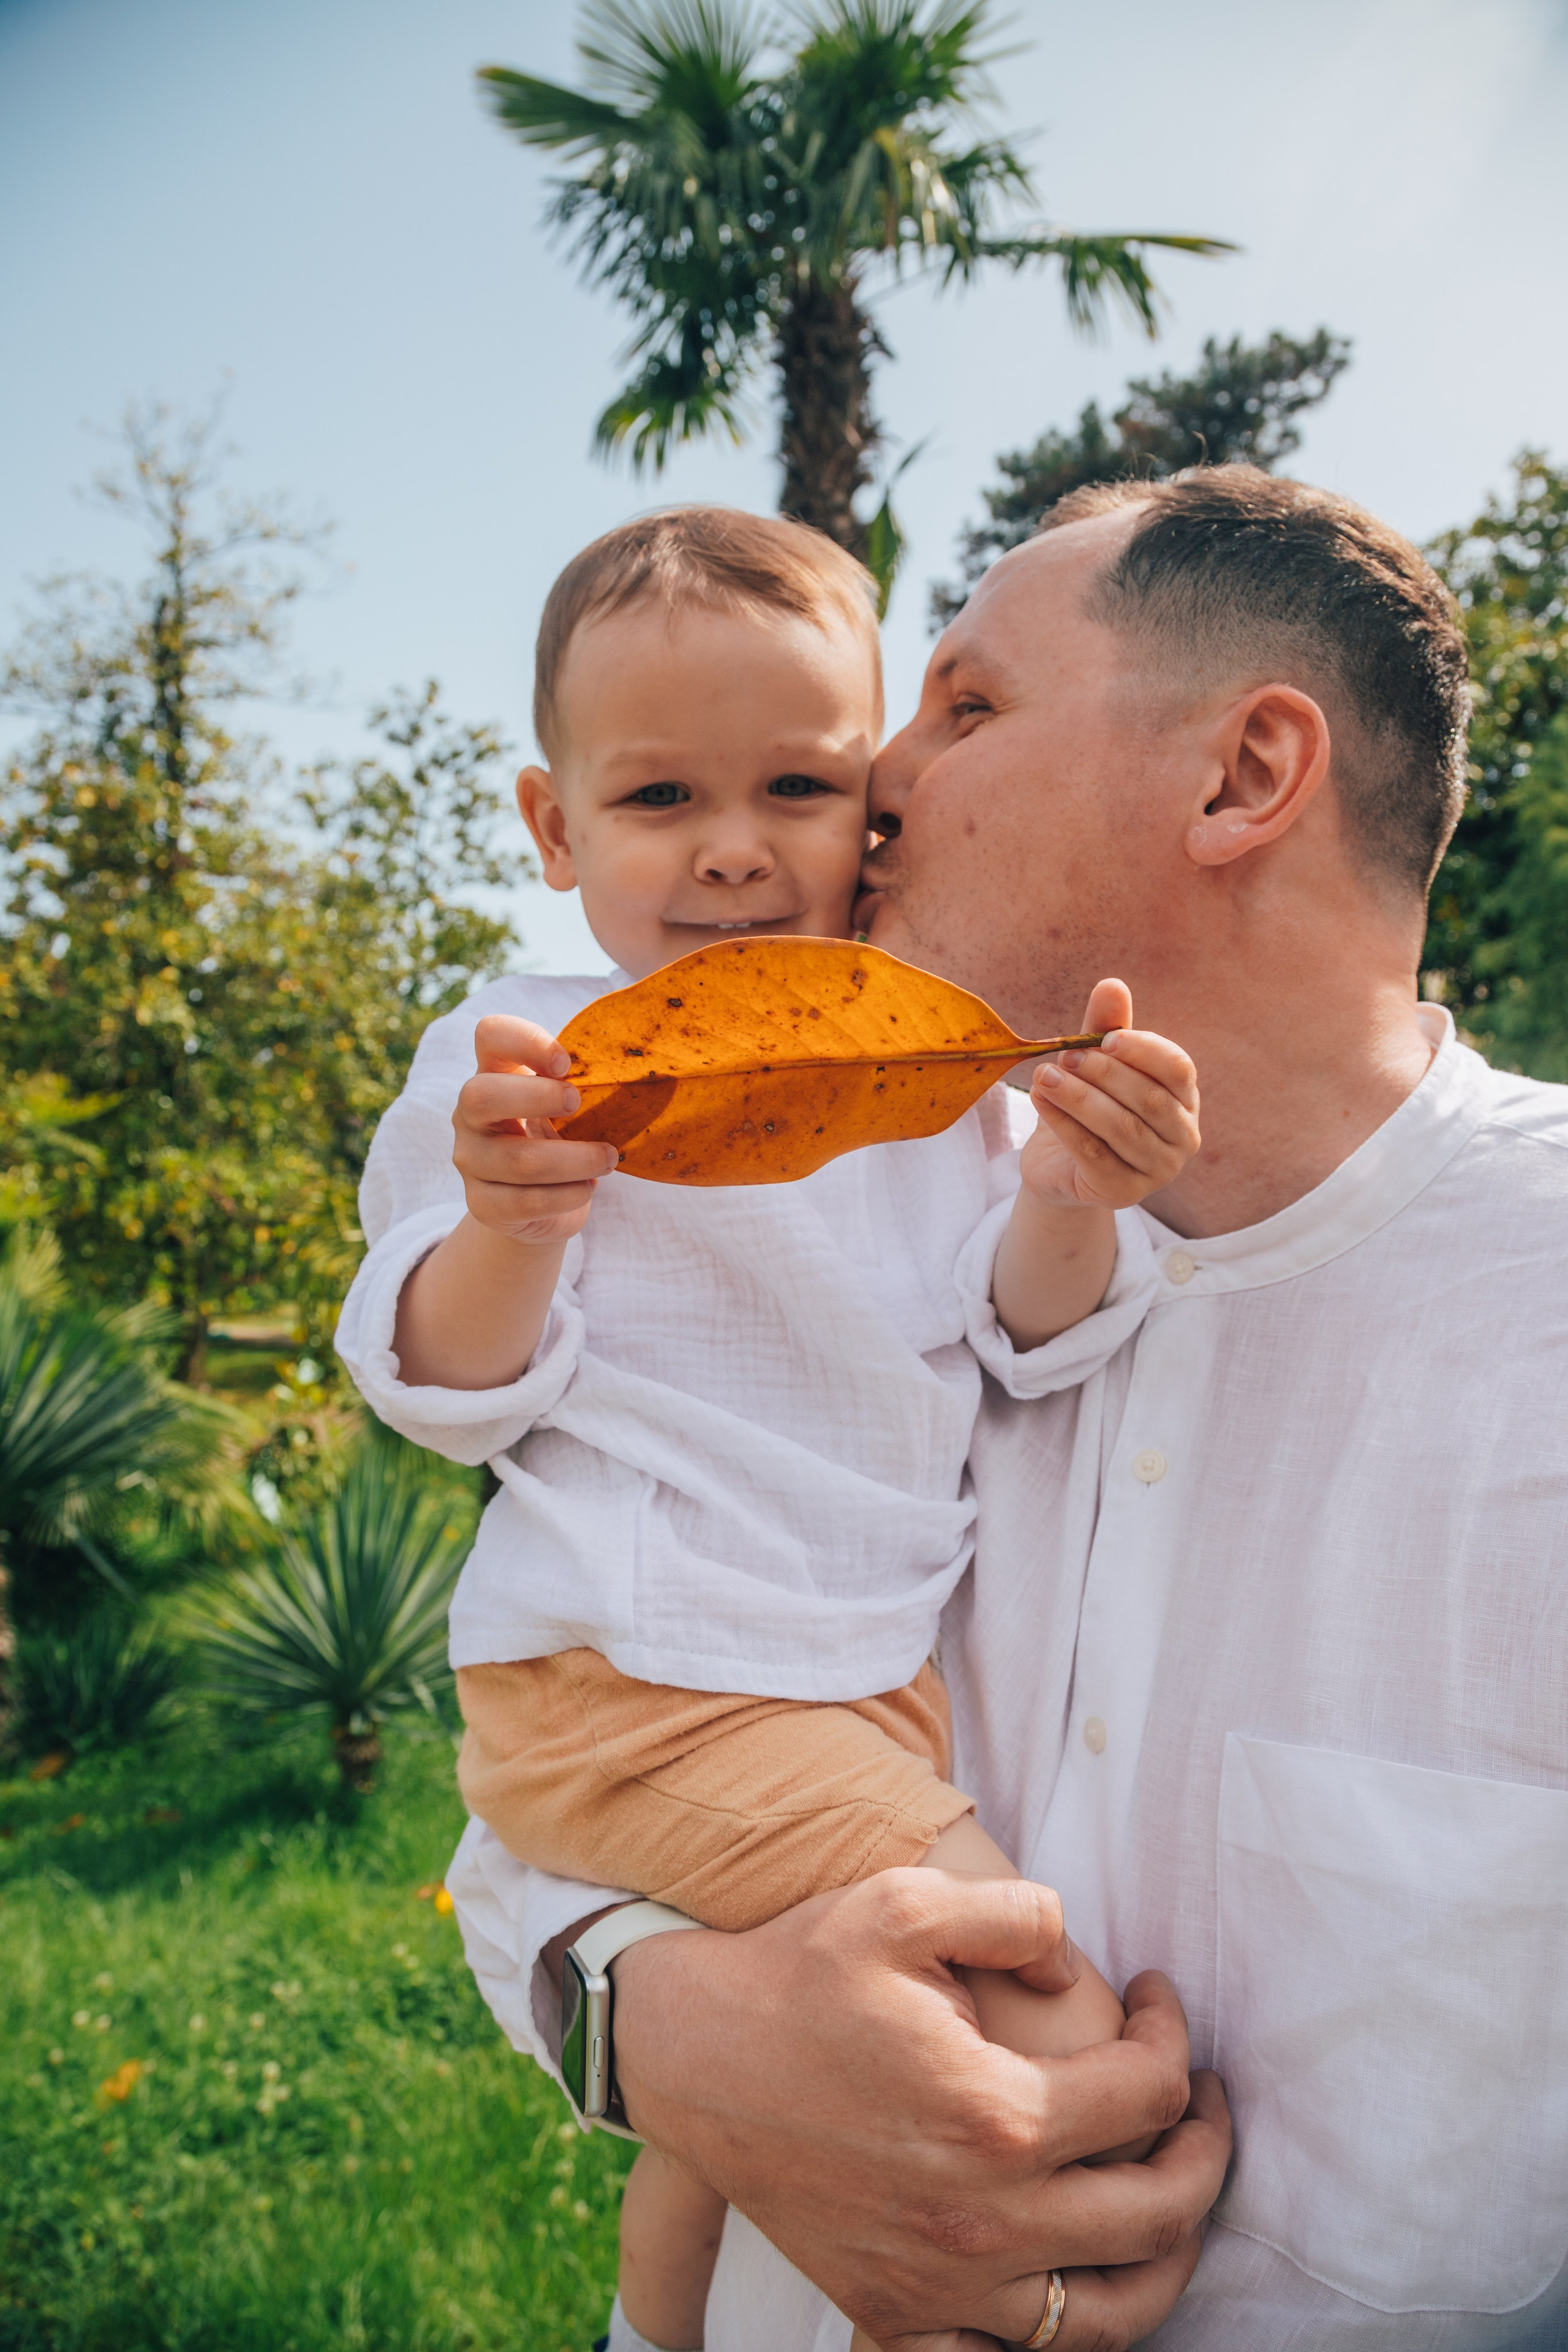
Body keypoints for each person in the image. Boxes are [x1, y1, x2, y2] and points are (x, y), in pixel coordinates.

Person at [447, 466, 1568, 2351]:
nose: (872, 776)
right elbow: (579, 1733)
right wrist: (656, 2023)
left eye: (963, 706)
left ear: (1241, 778)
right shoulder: (821, 1231)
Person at [335, 507, 1204, 2352]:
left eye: (800, 786)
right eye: (658, 802)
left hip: (856, 1678)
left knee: (739, 2146)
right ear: (554, 827)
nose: (734, 853)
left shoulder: (931, 1063)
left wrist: (1073, 1190)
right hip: (644, 1670)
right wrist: (507, 1227)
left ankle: (660, 2337)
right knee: (1025, 2019)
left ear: (870, 806)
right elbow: (440, 1379)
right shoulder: (520, 1058)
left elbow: (1024, 1340)